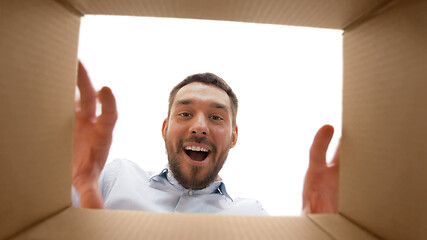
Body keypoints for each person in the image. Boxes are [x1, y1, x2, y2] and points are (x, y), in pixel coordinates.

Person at [72, 61, 340, 215]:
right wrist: (81, 186)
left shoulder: (250, 216)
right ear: (165, 128)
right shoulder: (115, 178)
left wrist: (319, 233)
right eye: (185, 113)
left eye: (216, 117)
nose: (199, 127)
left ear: (233, 137)